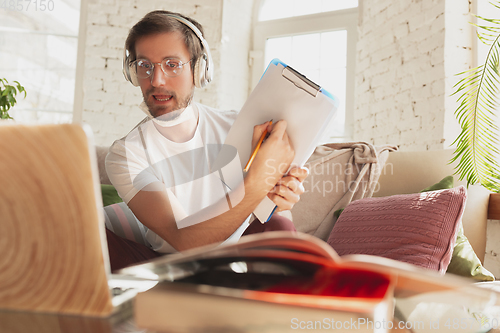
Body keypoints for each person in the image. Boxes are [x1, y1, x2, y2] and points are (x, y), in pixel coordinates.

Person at [105, 10, 309, 271]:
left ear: (199, 70)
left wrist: (281, 201)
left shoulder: (243, 128)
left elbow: (274, 222)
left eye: (172, 64)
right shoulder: (126, 154)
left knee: (279, 226)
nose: (156, 80)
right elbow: (186, 242)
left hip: (240, 264)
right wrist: (258, 181)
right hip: (167, 270)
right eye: (144, 66)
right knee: (88, 236)